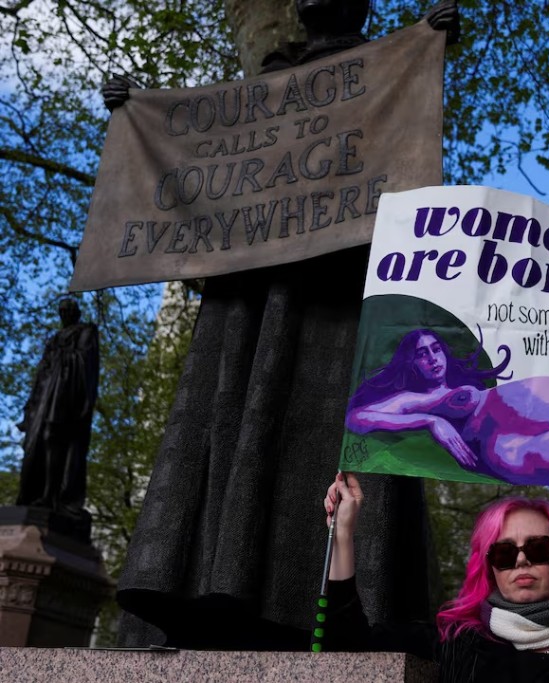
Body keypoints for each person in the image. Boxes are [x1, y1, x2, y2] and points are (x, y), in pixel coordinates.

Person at [109, 0, 460, 648]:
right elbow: (197, 198)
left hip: (341, 307)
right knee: (248, 427)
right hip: (254, 307)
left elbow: (405, 198)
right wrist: (137, 117)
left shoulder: (385, 77)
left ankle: (343, 595)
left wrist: (425, 51)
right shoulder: (259, 98)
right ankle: (222, 589)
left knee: (329, 447)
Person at [323, 473, 549, 682]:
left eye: (539, 549)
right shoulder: (454, 642)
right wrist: (343, 534)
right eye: (505, 553)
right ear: (490, 567)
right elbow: (343, 649)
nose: (522, 560)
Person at [346, 328, 549, 487]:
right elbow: (357, 417)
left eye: (436, 348)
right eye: (422, 354)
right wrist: (429, 421)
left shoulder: (461, 382)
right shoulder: (412, 398)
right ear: (411, 363)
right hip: (507, 444)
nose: (433, 357)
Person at [17, 298, 99, 529]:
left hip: (64, 397)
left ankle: (53, 495)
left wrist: (62, 359)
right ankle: (39, 493)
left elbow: (85, 364)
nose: (65, 314)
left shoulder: (86, 332)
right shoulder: (54, 339)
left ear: (76, 313)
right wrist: (29, 409)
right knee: (38, 444)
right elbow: (41, 373)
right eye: (62, 311)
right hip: (46, 398)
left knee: (54, 440)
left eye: (68, 310)